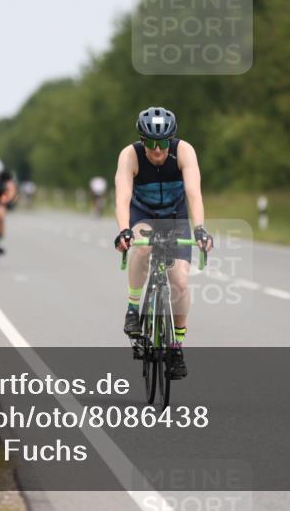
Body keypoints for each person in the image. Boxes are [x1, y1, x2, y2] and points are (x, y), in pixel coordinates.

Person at [114, 106, 213, 380]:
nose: (158, 151)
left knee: (180, 282)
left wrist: (201, 229)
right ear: (142, 141)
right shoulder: (130, 156)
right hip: (143, 215)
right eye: (151, 144)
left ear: (171, 140)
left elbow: (194, 194)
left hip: (175, 217)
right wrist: (124, 231)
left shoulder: (184, 151)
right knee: (142, 245)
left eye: (163, 143)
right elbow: (122, 197)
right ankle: (134, 308)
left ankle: (176, 346)